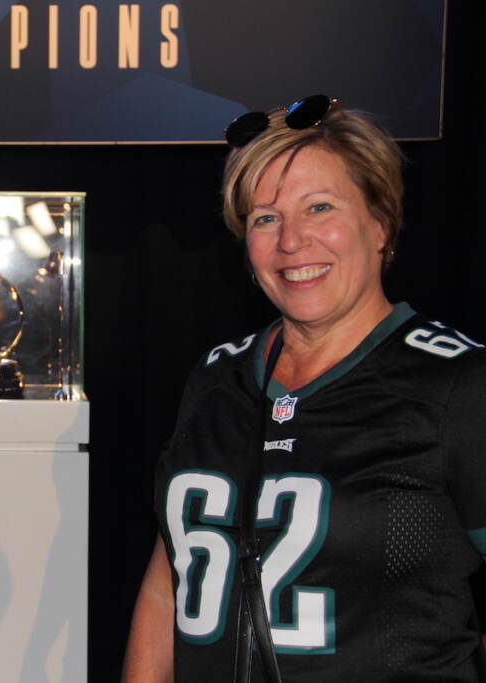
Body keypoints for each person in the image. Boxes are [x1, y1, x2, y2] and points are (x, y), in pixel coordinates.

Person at [123, 95, 486, 681]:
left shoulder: (457, 386)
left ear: (380, 224)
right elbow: (169, 581)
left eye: (320, 207)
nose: (292, 241)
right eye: (265, 218)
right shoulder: (218, 379)